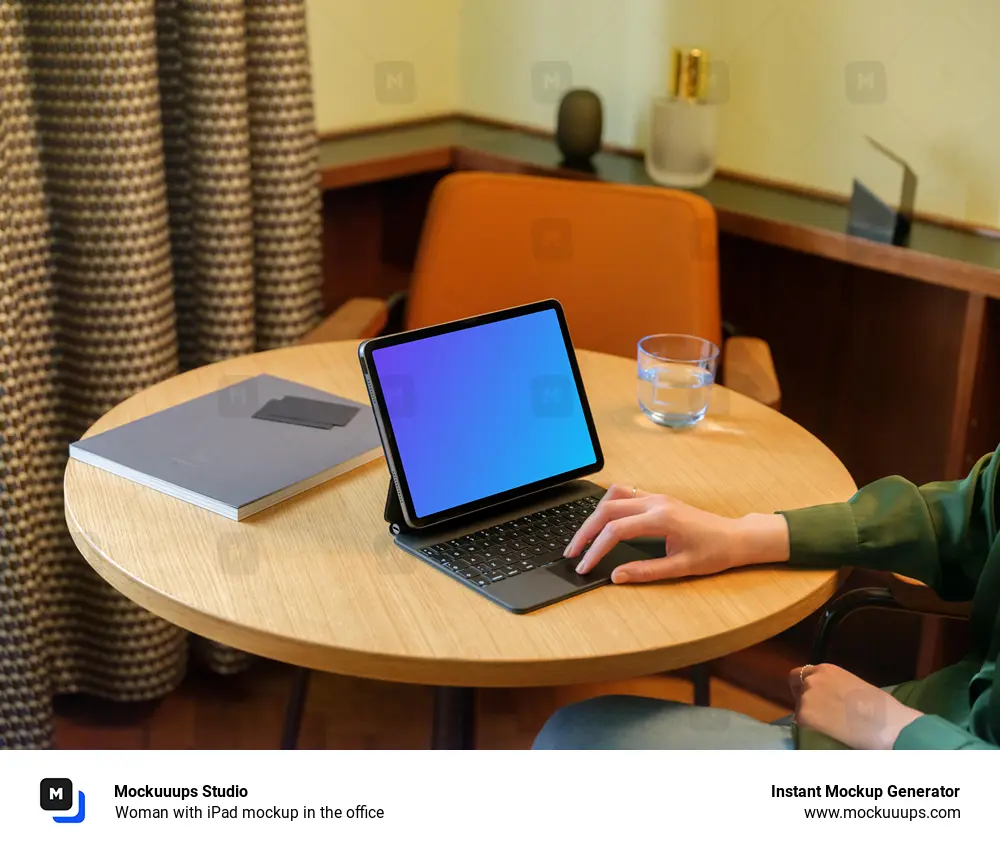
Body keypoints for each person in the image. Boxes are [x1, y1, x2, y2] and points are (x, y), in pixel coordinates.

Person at [532, 447, 999, 750]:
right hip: (943, 715)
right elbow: (973, 515)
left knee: (578, 744)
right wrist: (743, 535)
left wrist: (888, 728)